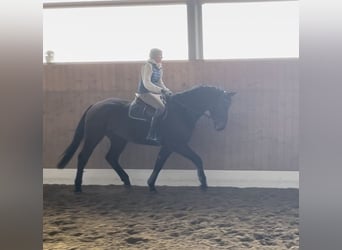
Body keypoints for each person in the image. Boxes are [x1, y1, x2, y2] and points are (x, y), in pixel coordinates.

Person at [136, 48, 172, 143]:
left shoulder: (159, 67)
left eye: (161, 56)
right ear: (154, 56)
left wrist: (166, 90)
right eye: (160, 56)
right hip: (145, 93)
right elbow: (146, 83)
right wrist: (161, 90)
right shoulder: (147, 66)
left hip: (155, 92)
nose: (161, 58)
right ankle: (151, 133)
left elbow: (159, 81)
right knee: (160, 108)